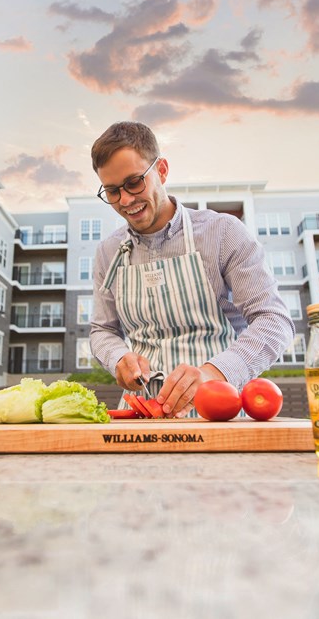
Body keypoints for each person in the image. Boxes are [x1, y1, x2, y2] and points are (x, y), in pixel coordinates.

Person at [89, 121, 295, 418]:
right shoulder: (108, 251)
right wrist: (117, 357)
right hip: (141, 416)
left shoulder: (223, 233)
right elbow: (102, 330)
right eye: (112, 191)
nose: (125, 200)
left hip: (218, 412)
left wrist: (215, 372)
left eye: (134, 183)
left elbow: (274, 320)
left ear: (161, 170)